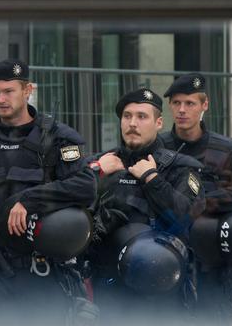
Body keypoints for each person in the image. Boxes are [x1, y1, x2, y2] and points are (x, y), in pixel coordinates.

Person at [0, 59, 96, 326]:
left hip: (40, 276)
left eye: (9, 91)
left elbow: (85, 186)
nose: (1, 99)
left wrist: (29, 199)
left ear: (28, 90)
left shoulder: (57, 139)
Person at [86, 87, 203, 325]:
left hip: (160, 289)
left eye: (142, 116)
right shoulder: (102, 163)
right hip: (109, 287)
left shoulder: (179, 167)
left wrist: (152, 178)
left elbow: (186, 216)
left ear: (158, 122)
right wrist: (95, 172)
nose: (132, 123)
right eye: (127, 116)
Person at [159, 73, 232, 324]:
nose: (182, 110)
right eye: (176, 103)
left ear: (204, 105)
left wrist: (204, 202)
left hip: (213, 263)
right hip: (164, 256)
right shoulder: (156, 147)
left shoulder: (231, 150)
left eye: (190, 103)